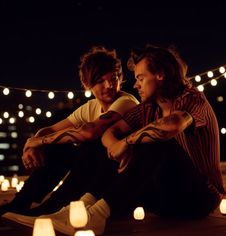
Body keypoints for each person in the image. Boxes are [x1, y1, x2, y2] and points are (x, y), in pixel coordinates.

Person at [2, 44, 225, 236]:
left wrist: (126, 144)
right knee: (102, 143)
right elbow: (110, 133)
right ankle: (75, 209)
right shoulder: (148, 107)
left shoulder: (192, 98)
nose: (136, 85)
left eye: (140, 78)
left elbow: (172, 125)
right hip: (162, 199)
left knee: (156, 139)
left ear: (160, 74)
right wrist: (117, 145)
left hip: (198, 198)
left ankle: (96, 216)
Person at [0, 46, 139, 217]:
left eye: (114, 79)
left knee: (91, 144)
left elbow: (91, 132)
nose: (109, 85)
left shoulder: (126, 101)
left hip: (119, 183)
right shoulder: (91, 107)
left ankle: (54, 206)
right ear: (88, 84)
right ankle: (20, 204)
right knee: (59, 147)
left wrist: (40, 141)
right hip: (95, 176)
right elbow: (51, 129)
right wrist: (33, 144)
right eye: (100, 81)